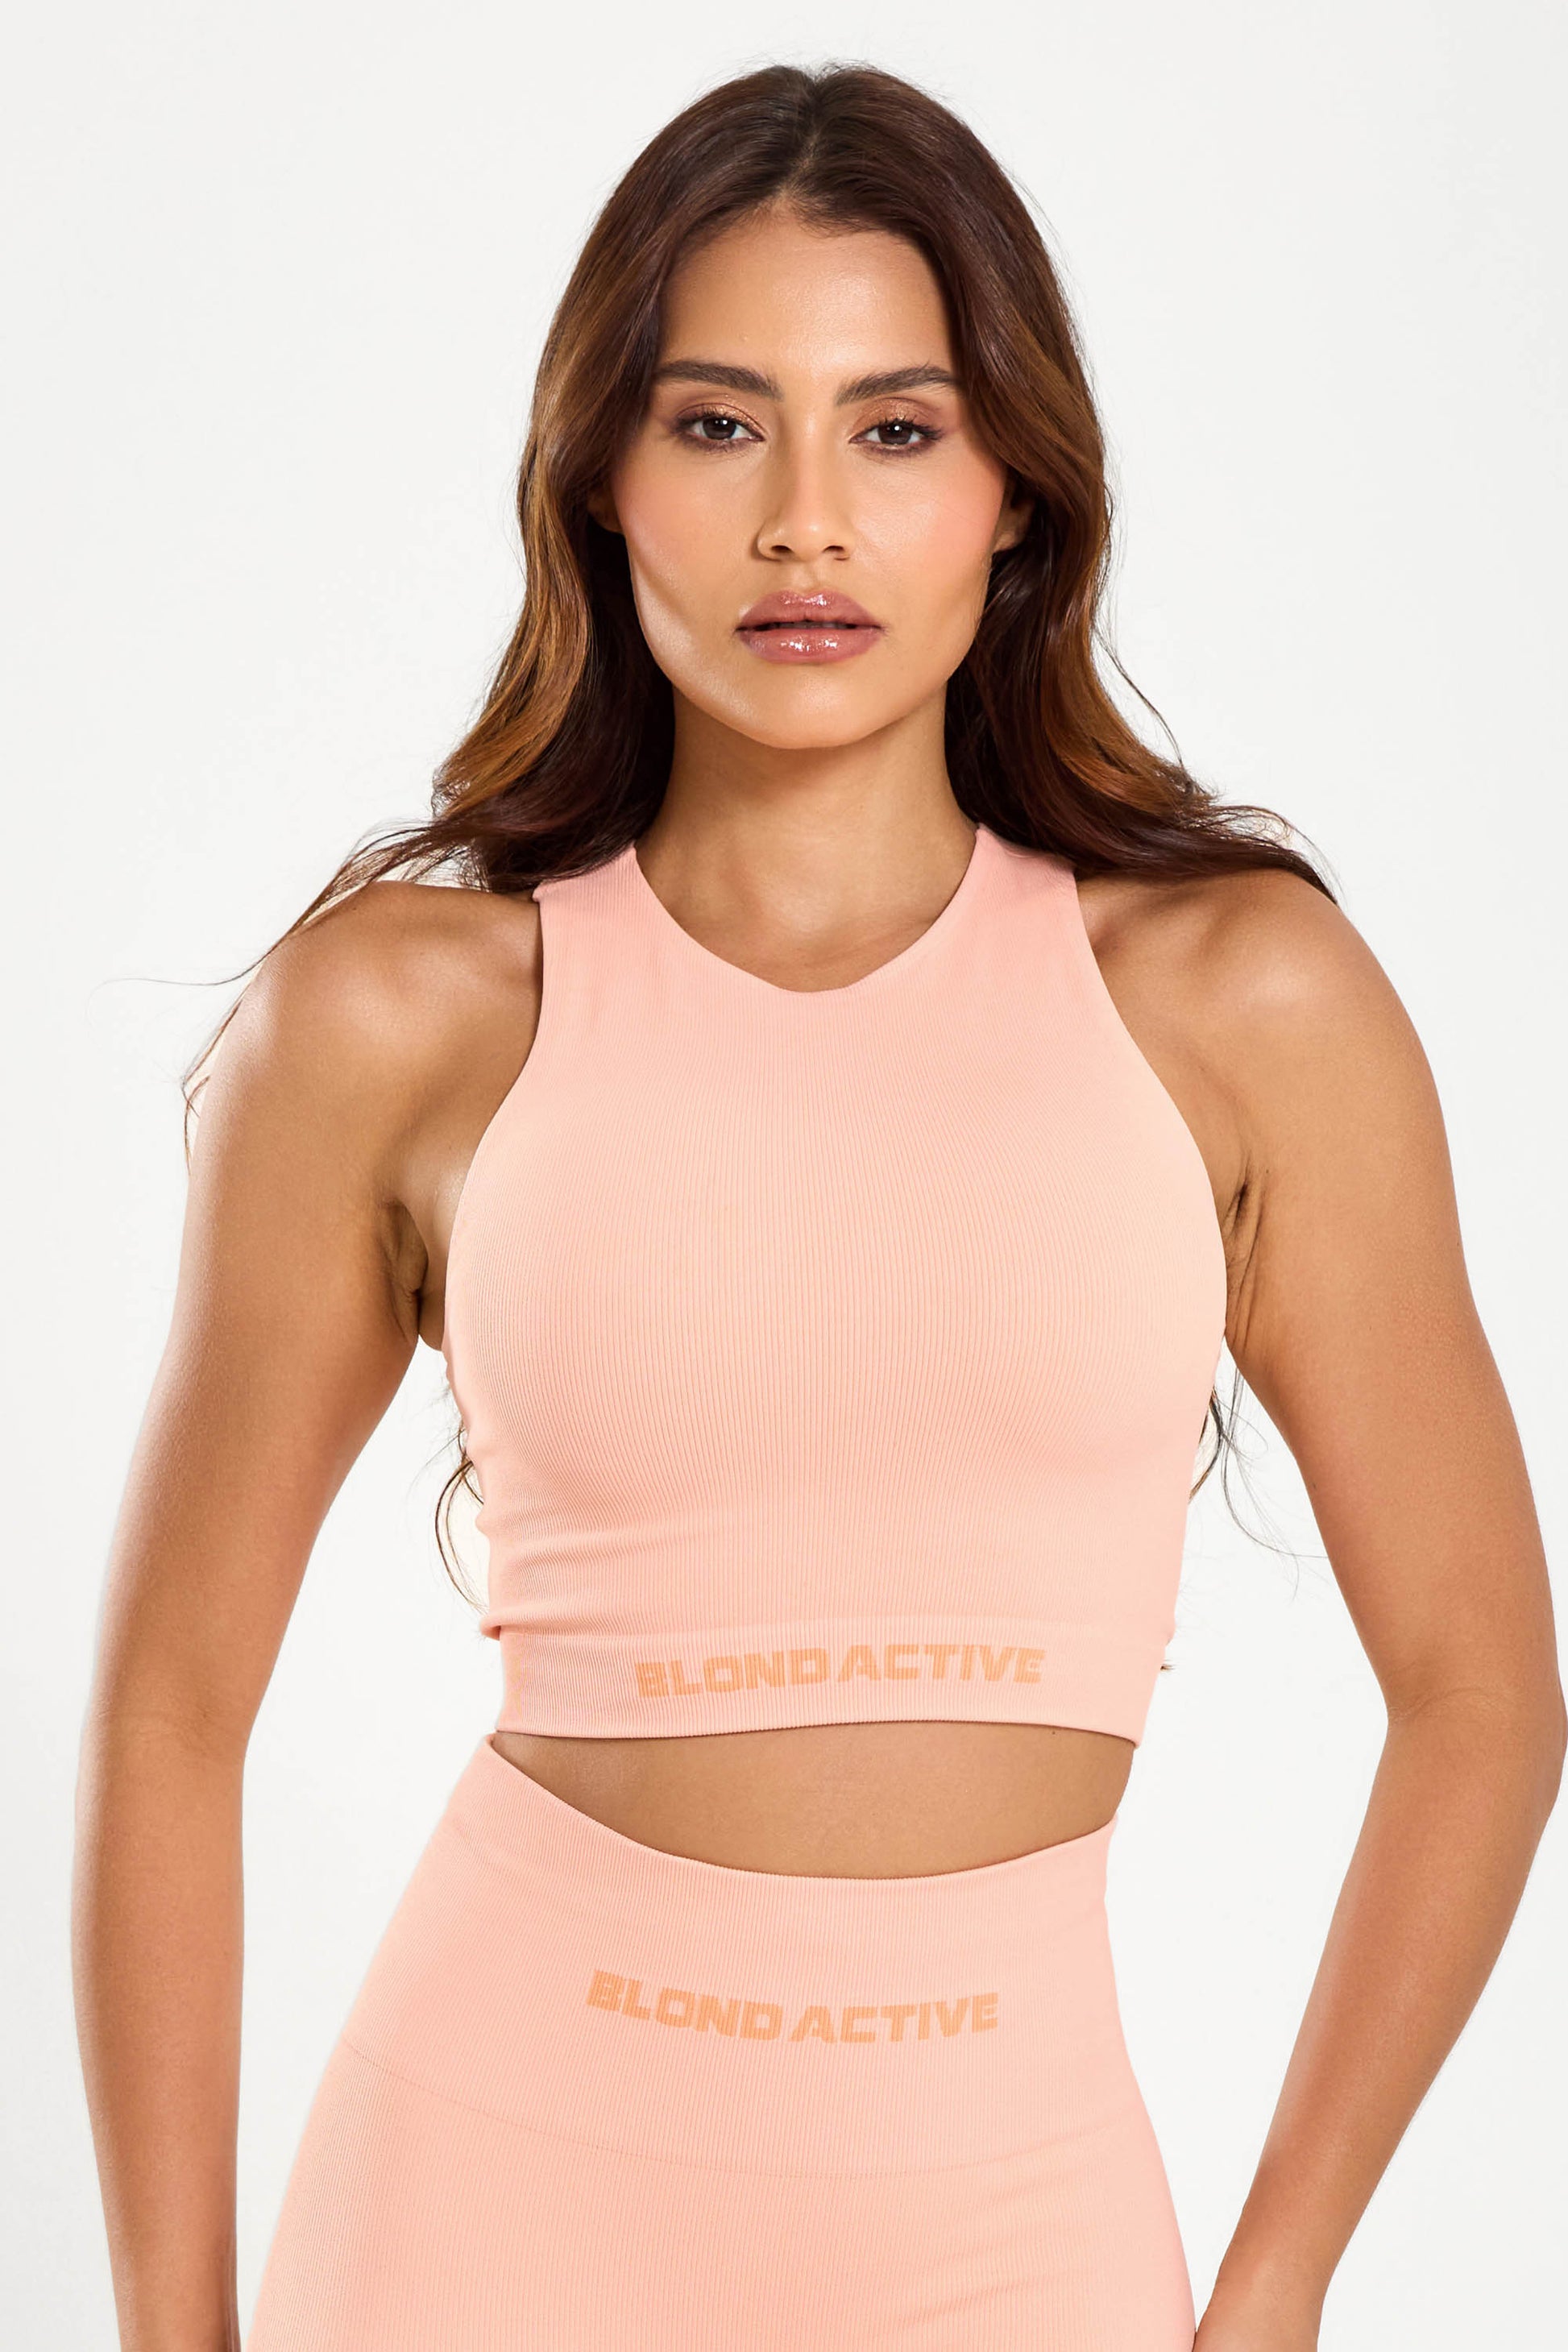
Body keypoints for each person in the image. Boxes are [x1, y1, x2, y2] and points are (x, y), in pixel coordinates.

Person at [73, 60, 1562, 2352]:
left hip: (1016, 2229)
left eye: (893, 428)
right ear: (600, 484)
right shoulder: (396, 1019)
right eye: (715, 425)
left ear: (1013, 492)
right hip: (484, 2205)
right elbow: (170, 1713)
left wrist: (1269, 2295)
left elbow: (1483, 1691)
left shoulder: (1239, 1001)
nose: (803, 525)